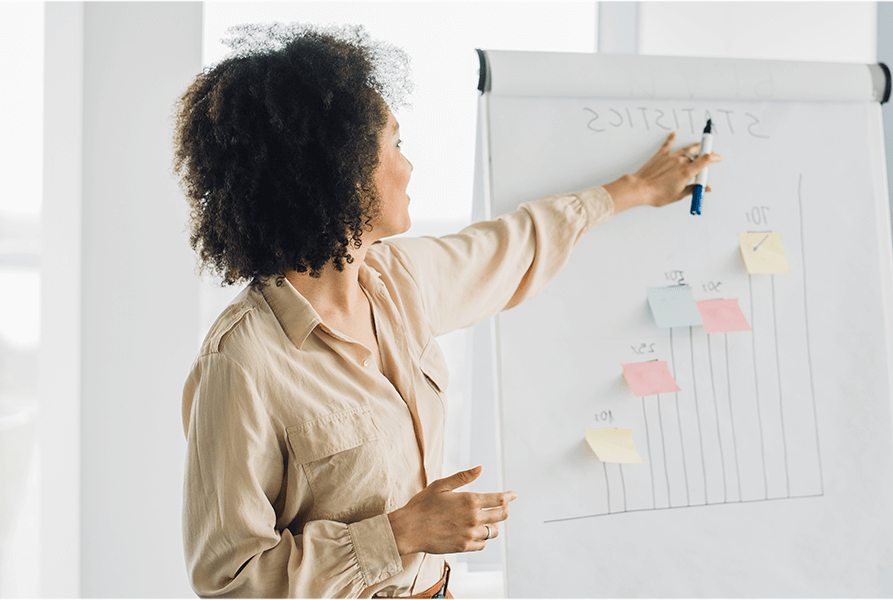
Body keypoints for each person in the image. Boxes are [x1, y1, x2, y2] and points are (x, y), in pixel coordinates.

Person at [174, 24, 720, 599]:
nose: (408, 168)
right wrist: (400, 533)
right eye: (395, 145)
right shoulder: (239, 361)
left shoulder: (399, 282)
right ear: (338, 169)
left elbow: (514, 246)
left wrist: (631, 189)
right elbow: (228, 579)